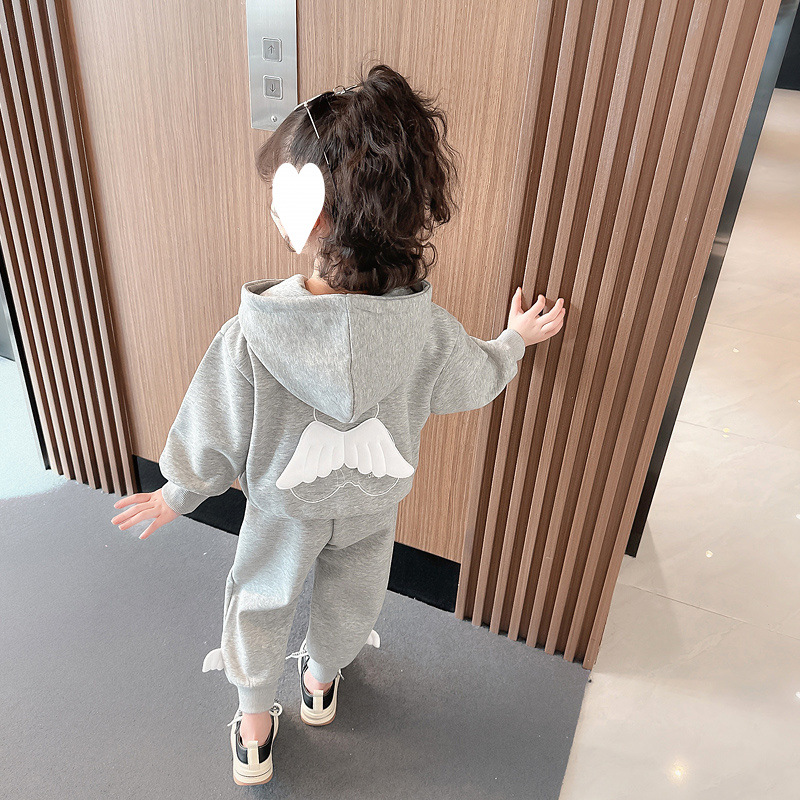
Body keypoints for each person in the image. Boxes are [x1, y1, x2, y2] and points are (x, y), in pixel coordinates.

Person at [110, 63, 565, 786]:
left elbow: (212, 427)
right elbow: (475, 380)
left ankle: (254, 731)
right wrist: (512, 341)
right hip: (370, 507)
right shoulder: (426, 333)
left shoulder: (255, 334)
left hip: (283, 511)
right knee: (353, 596)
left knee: (261, 600)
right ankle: (321, 684)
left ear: (315, 214)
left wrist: (177, 493)